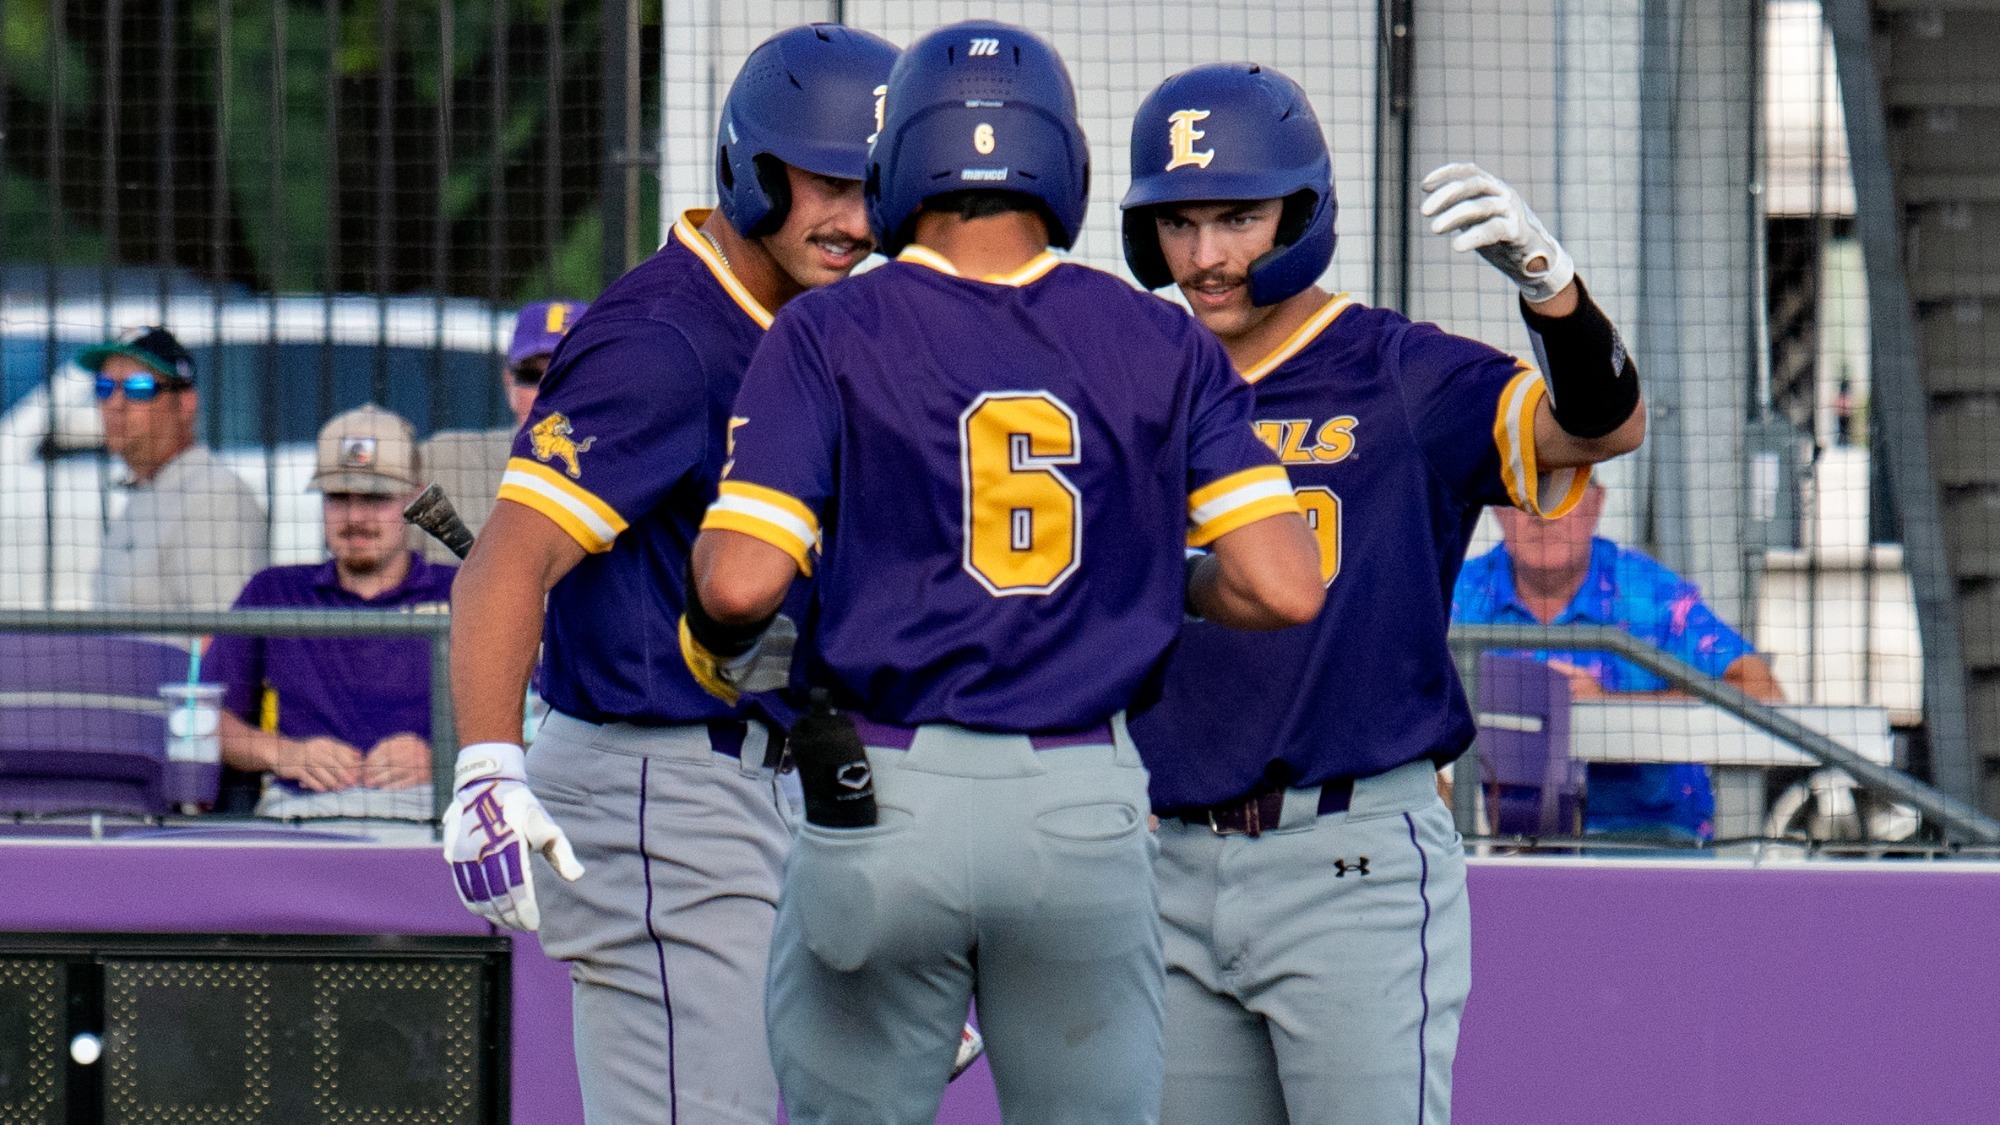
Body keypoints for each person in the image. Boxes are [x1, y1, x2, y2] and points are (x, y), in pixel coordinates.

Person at [683, 24, 1325, 1125]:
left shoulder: (828, 328)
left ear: (898, 160)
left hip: (882, 794)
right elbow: (1283, 586)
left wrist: (710, 622)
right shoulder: (1162, 340)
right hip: (1080, 802)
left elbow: (740, 585)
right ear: (1061, 162)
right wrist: (1154, 578)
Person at [1118, 64, 1646, 1125]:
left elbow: (1602, 427)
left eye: (1238, 217)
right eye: (1178, 222)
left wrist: (1554, 296)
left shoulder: (1396, 369)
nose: (1206, 255)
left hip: (1348, 858)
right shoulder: (1132, 377)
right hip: (1163, 859)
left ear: (1302, 214)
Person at [441, 24, 899, 1125]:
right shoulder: (664, 336)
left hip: (761, 786)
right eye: (826, 182)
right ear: (753, 168)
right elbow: (507, 556)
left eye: (873, 188)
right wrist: (488, 767)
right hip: (663, 790)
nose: (854, 221)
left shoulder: (802, 324)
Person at [1452, 481, 1782, 840]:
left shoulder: (1650, 593)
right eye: (1527, 492)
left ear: (1596, 502)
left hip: (1658, 843)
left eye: (1562, 491)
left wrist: (1608, 705)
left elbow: (1762, 691)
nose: (1543, 513)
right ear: (1496, 506)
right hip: (1506, 844)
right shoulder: (1456, 593)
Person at [208, 404, 454, 820]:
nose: (355, 517)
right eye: (338, 497)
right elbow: (202, 720)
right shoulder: (275, 592)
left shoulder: (463, 591)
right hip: (301, 814)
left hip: (436, 811)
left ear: (414, 498)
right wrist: (285, 753)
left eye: (375, 498)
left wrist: (443, 756)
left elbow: (533, 725)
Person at [81, 326, 267, 612]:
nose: (115, 403)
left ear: (185, 403)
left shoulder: (214, 497)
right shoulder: (147, 493)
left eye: (138, 388)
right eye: (103, 387)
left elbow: (224, 633)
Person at [418, 300, 586, 563]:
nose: (547, 391)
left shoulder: (634, 472)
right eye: (531, 376)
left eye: (566, 375)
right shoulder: (443, 460)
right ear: (509, 383)